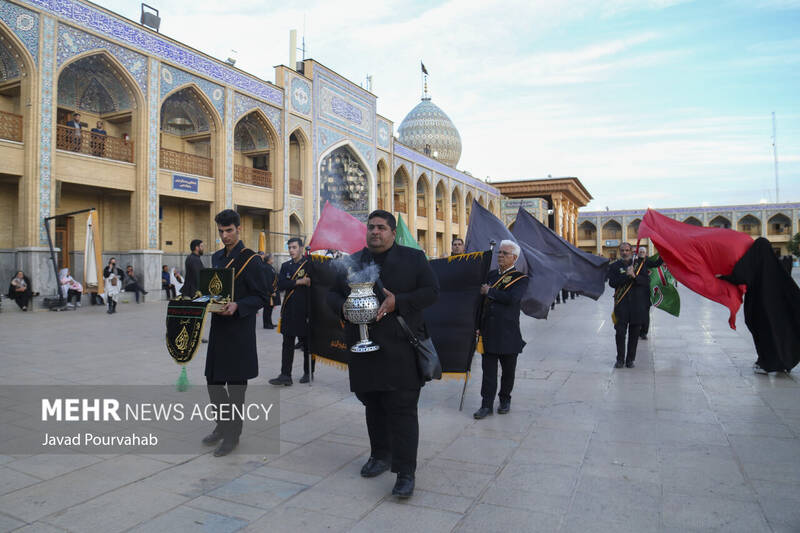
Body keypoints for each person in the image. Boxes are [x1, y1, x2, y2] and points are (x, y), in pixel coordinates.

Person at [328, 209, 439, 499]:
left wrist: (397, 302)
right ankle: (380, 454)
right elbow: (330, 294)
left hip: (400, 349)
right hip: (364, 350)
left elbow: (432, 291)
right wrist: (343, 308)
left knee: (402, 410)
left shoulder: (413, 259)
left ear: (392, 232)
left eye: (381, 227)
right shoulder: (353, 261)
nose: (375, 232)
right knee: (373, 404)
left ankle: (405, 473)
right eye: (371, 227)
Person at [202, 209, 268, 456]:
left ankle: (233, 435)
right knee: (213, 382)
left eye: (229, 231)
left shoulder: (251, 260)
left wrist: (239, 305)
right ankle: (222, 426)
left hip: (240, 331)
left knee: (236, 386)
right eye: (220, 231)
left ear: (239, 229)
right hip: (219, 330)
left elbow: (263, 296)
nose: (225, 236)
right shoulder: (217, 257)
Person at [474, 240, 530, 419]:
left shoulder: (520, 278)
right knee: (488, 372)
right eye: (499, 252)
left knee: (508, 371)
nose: (500, 255)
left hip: (508, 333)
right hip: (488, 331)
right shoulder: (490, 275)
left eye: (505, 253)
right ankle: (486, 405)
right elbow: (480, 304)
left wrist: (490, 291)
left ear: (514, 257)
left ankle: (505, 400)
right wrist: (477, 326)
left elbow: (512, 299)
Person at [608, 242, 661, 368]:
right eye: (622, 250)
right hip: (621, 306)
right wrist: (627, 276)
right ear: (619, 251)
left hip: (637, 306)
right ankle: (620, 359)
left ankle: (630, 360)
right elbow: (612, 283)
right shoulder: (615, 266)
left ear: (631, 251)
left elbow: (646, 282)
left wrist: (634, 276)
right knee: (620, 333)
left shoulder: (639, 264)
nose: (624, 252)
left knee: (634, 334)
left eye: (627, 250)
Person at [269, 238, 313, 385]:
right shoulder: (285, 265)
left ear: (301, 248)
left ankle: (308, 373)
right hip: (289, 309)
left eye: (294, 247)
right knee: (287, 343)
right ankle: (285, 375)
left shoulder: (309, 265)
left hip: (305, 310)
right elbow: (281, 284)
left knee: (307, 344)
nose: (291, 250)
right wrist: (299, 282)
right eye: (289, 248)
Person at [259, 252, 279, 329]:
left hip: (271, 291)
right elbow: (267, 281)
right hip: (268, 292)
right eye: (272, 258)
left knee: (270, 309)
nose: (273, 259)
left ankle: (269, 322)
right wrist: (272, 291)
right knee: (267, 309)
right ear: (269, 259)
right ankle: (266, 324)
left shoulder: (269, 267)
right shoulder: (266, 267)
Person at [637, 246, 653, 340]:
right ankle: (637, 330)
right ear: (638, 252)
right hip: (637, 292)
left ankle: (644, 332)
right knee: (637, 313)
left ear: (646, 253)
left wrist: (663, 254)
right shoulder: (634, 261)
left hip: (646, 292)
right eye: (641, 251)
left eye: (643, 251)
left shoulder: (647, 261)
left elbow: (657, 263)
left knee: (646, 313)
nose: (642, 253)